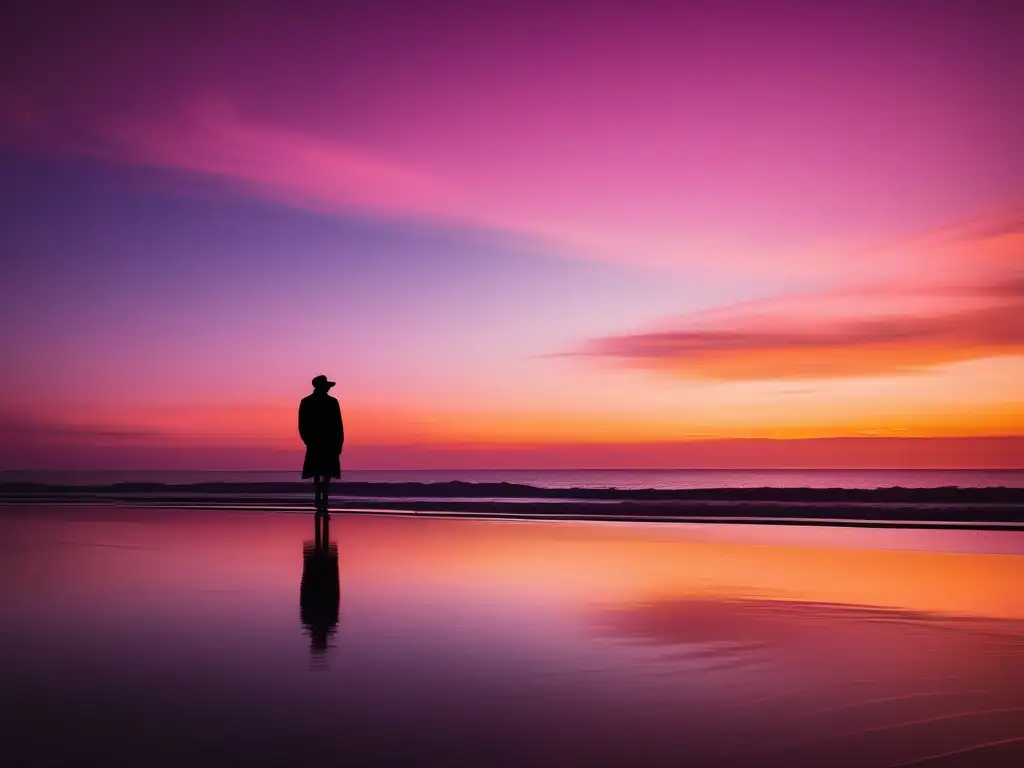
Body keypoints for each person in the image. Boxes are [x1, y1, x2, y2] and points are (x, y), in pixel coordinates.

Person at [298, 375, 344, 517]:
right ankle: (321, 497)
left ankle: (321, 497)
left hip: (322, 441)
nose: (328, 389)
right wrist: (339, 441)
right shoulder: (315, 402)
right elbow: (303, 424)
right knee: (322, 472)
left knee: (320, 472)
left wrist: (307, 440)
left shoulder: (311, 402)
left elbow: (338, 424)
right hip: (322, 441)